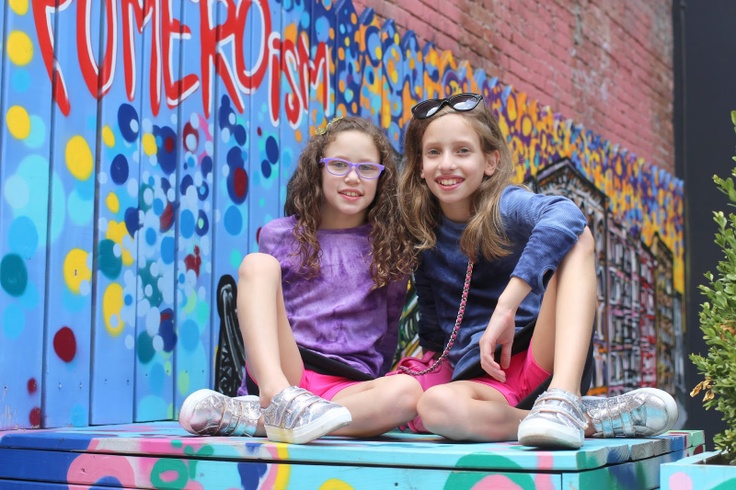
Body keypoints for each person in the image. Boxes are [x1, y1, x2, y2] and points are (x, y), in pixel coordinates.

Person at [396, 92, 678, 449]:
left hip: (538, 355)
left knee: (577, 238)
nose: (446, 164)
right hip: (486, 380)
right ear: (420, 165)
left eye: (463, 151)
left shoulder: (507, 206)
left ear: (490, 162)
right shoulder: (425, 231)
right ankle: (585, 420)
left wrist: (506, 306)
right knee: (436, 408)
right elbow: (436, 335)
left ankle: (563, 396)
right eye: (433, 152)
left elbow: (568, 216)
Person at [178, 116, 421, 444]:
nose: (353, 177)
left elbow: (388, 330)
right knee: (257, 265)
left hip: (346, 388)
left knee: (407, 393)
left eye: (367, 168)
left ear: (382, 177)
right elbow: (263, 310)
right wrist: (276, 384)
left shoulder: (391, 245)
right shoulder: (281, 235)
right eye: (338, 165)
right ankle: (276, 403)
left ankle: (264, 420)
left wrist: (374, 388)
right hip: (284, 372)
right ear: (318, 168)